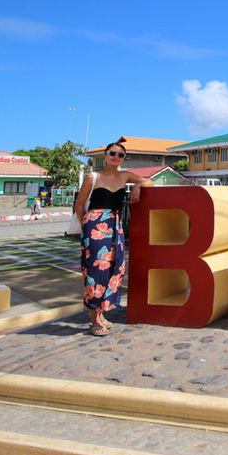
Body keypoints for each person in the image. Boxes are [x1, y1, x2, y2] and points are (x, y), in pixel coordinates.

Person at [74, 141, 153, 336]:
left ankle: (101, 314)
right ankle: (94, 319)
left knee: (114, 267)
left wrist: (137, 187)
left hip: (114, 226)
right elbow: (80, 204)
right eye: (112, 153)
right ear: (105, 155)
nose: (116, 157)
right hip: (95, 226)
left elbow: (149, 181)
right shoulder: (93, 177)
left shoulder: (124, 176)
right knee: (95, 270)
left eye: (120, 155)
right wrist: (87, 225)